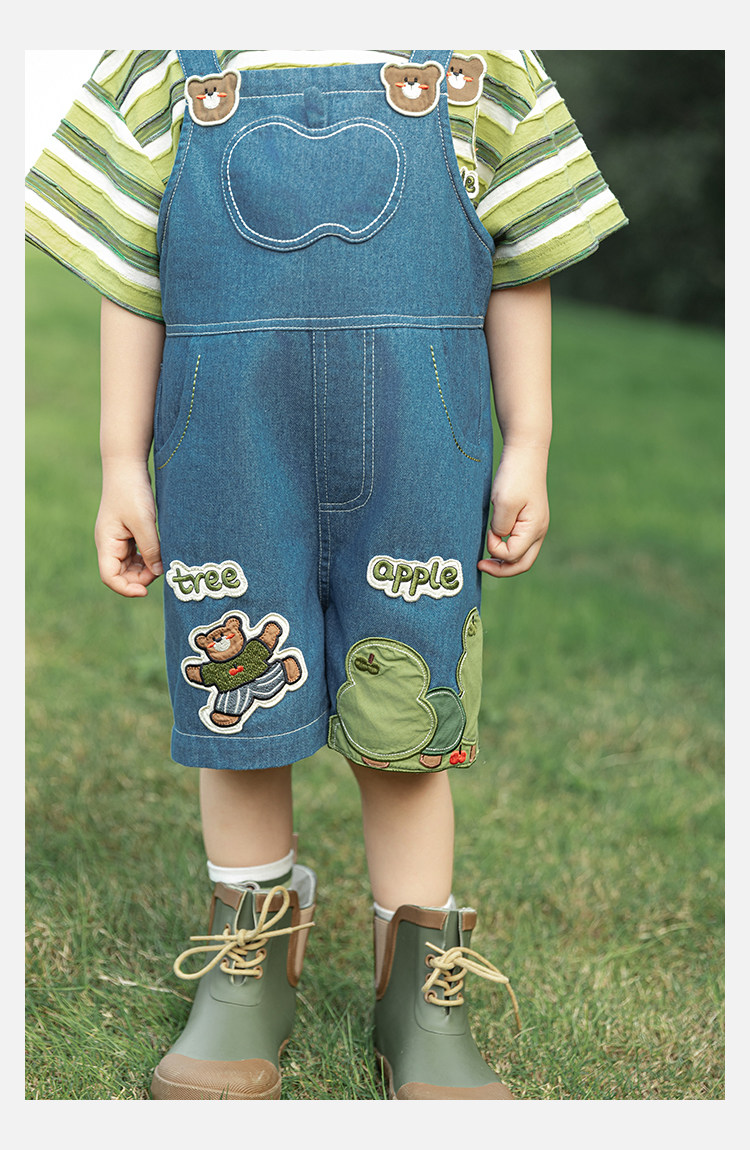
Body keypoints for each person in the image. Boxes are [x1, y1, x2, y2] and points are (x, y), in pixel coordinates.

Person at [25, 49, 627, 1101]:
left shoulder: (483, 60)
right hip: (227, 447)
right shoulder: (161, 62)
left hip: (419, 450)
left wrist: (528, 439)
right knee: (238, 711)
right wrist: (122, 462)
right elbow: (131, 273)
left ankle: (421, 992)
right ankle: (249, 963)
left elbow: (521, 255)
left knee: (407, 720)